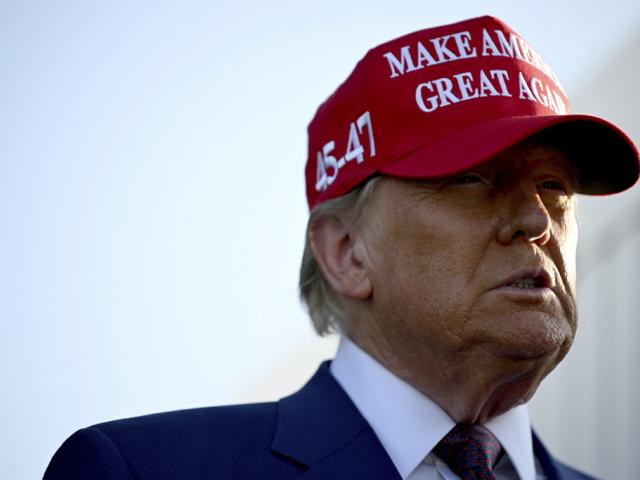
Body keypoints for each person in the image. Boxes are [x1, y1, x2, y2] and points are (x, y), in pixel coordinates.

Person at [44, 15, 638, 480]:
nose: (535, 218)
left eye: (554, 186)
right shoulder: (140, 470)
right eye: (471, 179)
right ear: (347, 252)